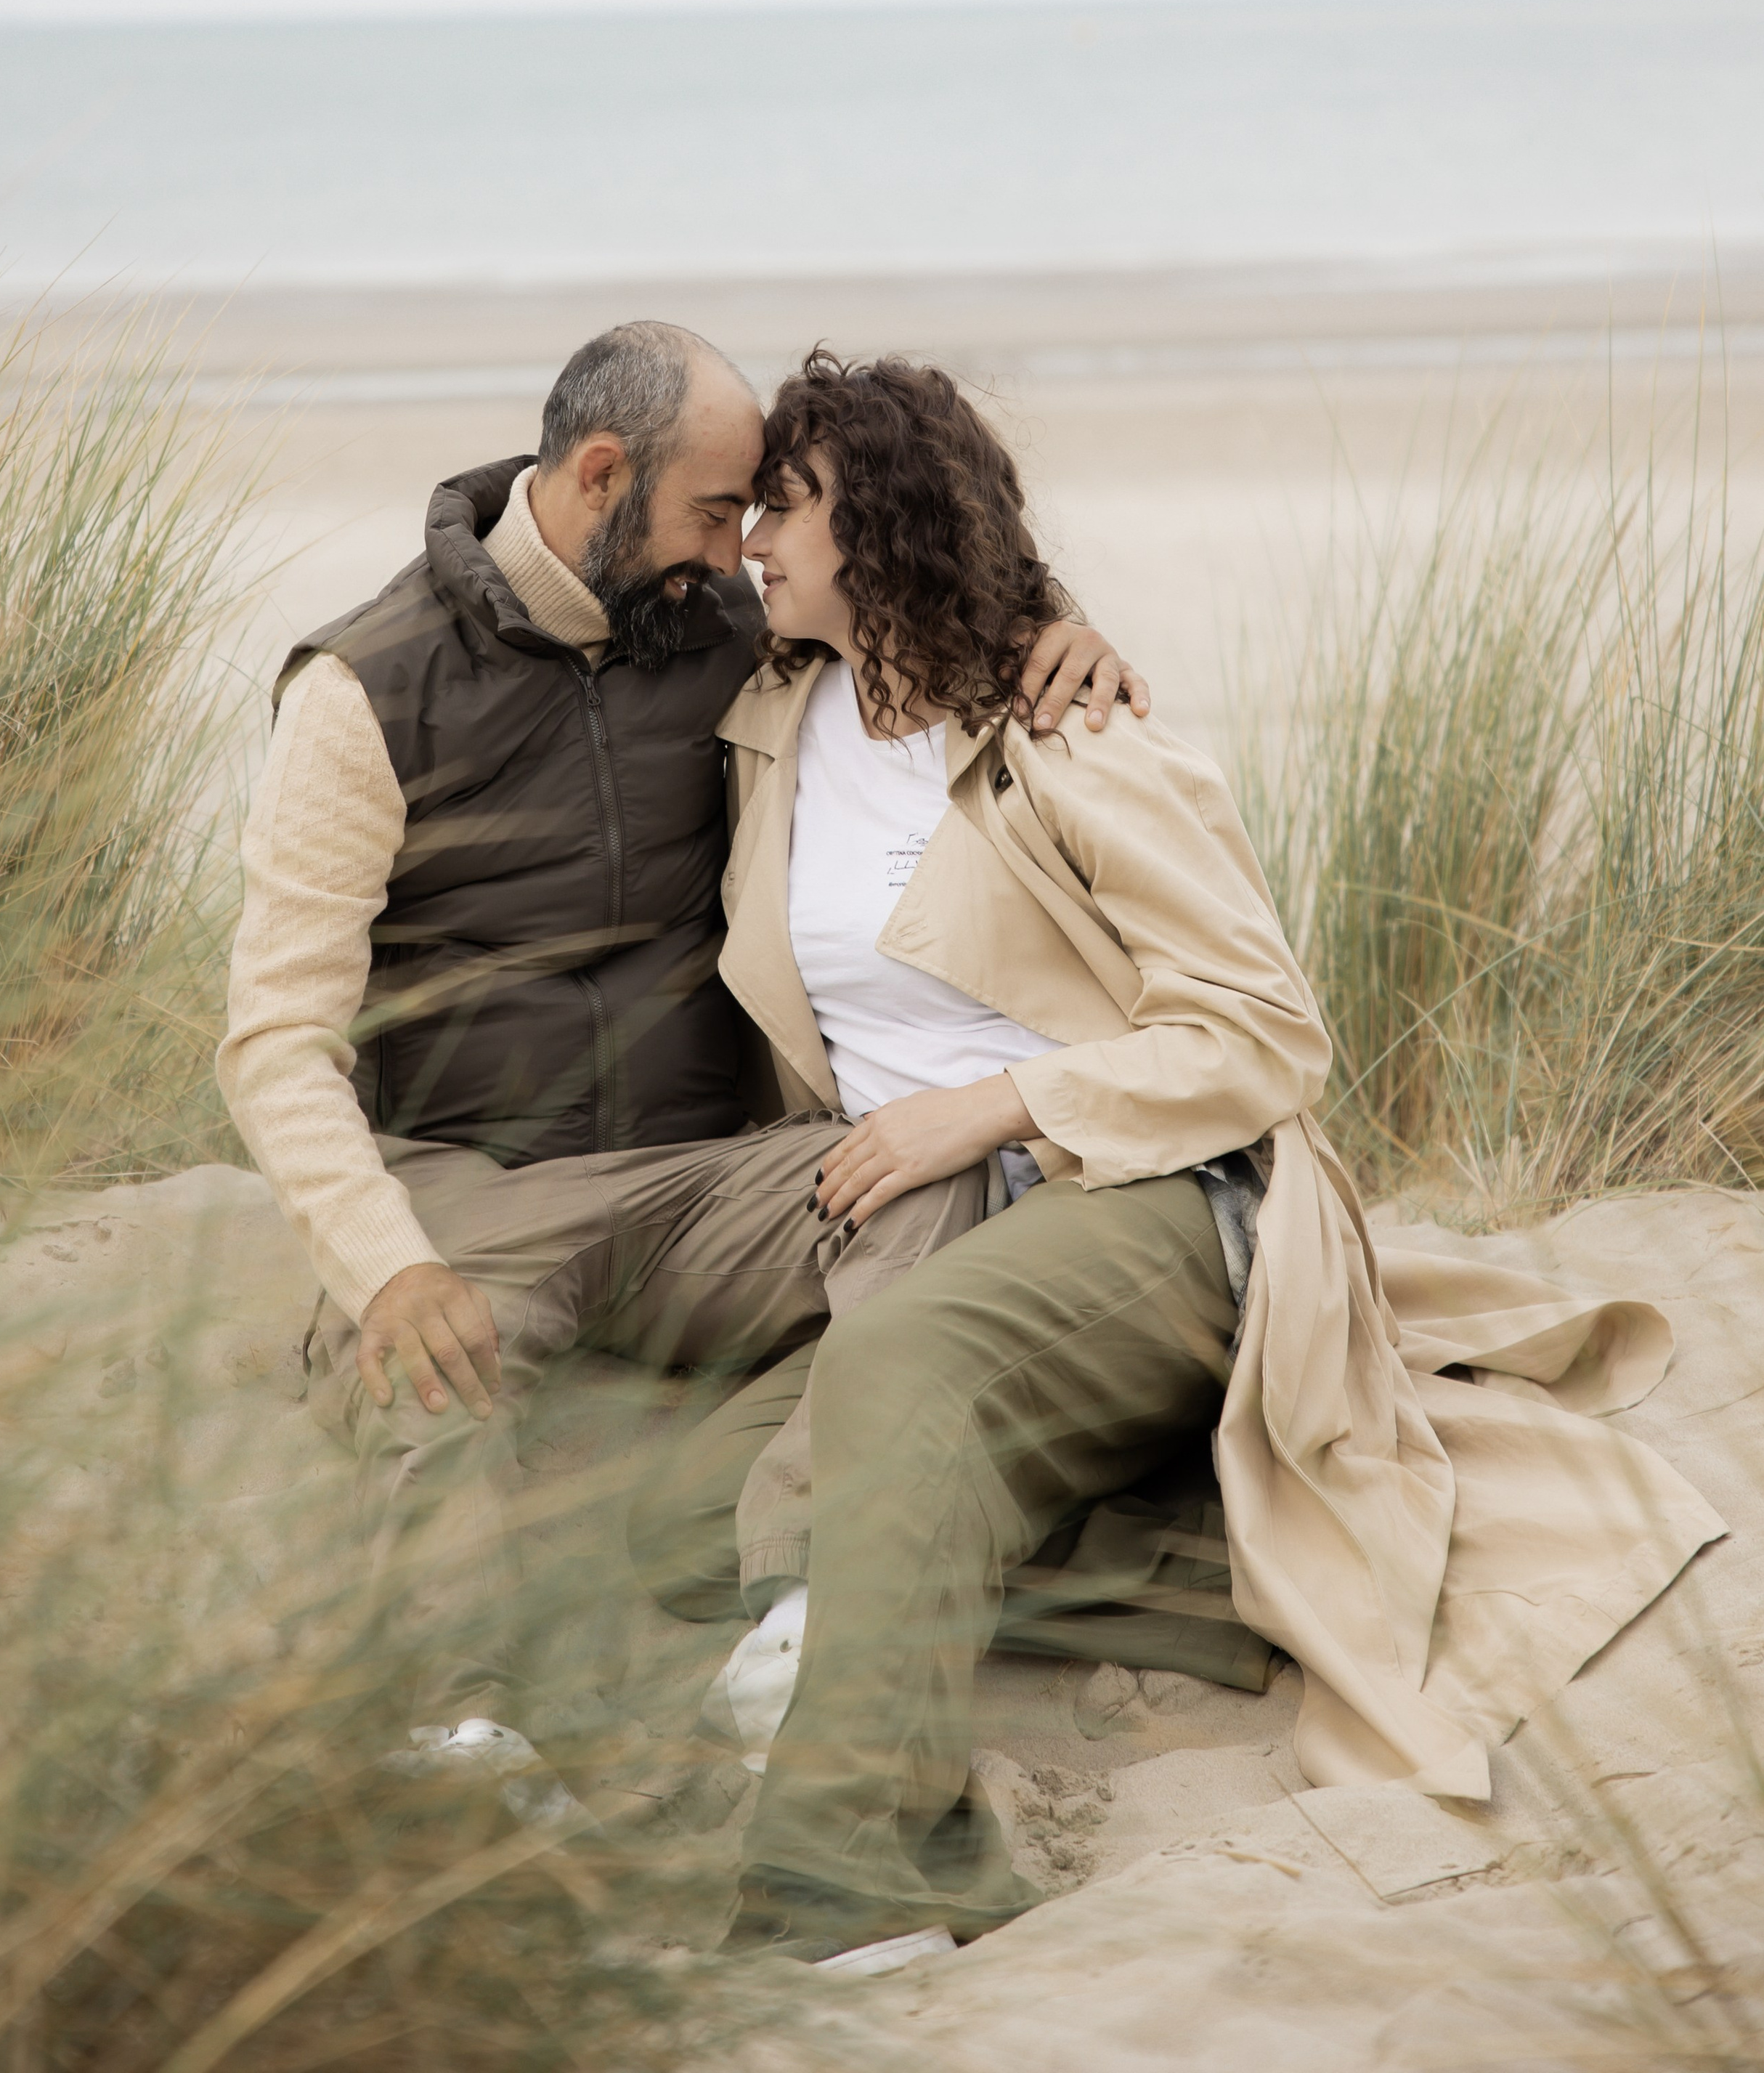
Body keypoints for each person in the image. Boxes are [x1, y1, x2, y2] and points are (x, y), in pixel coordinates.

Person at [629, 346, 1725, 1972]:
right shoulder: (773, 713)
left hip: (1147, 1202)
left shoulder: (1066, 738)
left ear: (889, 531)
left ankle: (829, 1879)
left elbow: (1263, 1037)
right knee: (680, 1503)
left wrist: (995, 1107)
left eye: (787, 506)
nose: (753, 539)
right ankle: (956, 1789)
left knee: (900, 1384)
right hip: (909, 1218)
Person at [216, 317, 1144, 1804]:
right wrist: (385, 1262)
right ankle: (461, 1737)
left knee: (919, 1172)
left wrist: (1055, 628)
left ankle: (801, 1615)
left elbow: (919, 596)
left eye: (754, 519)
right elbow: (274, 1038)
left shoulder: (720, 622)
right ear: (598, 478)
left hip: (715, 1181)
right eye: (716, 512)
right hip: (479, 1198)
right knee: (424, 1367)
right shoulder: (362, 691)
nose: (738, 551)